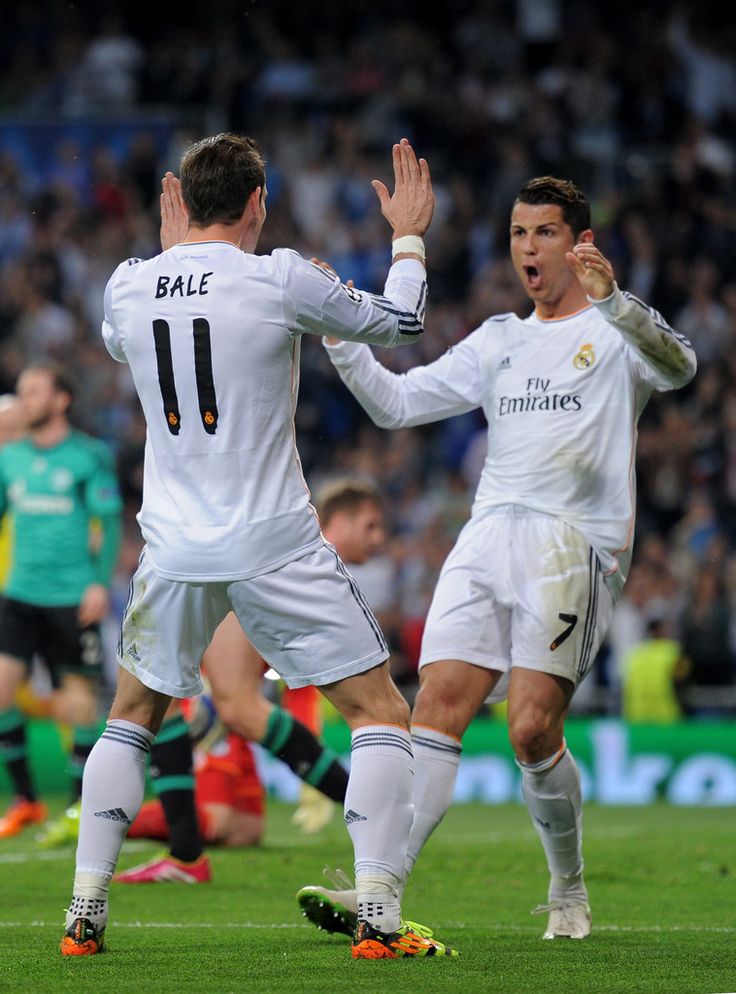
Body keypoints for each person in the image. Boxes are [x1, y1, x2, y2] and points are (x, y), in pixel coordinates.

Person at [61, 132, 458, 960]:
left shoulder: (128, 287)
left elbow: (122, 340)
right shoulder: (279, 276)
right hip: (273, 538)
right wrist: (410, 236)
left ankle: (84, 915)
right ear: (257, 203)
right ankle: (379, 919)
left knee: (132, 716)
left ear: (184, 203)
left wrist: (174, 262)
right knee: (379, 714)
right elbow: (402, 322)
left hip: (172, 548)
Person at [296, 175, 697, 941]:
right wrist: (342, 340)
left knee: (530, 731)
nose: (527, 250)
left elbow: (681, 369)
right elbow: (398, 403)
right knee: (434, 706)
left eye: (542, 233)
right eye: (517, 234)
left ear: (579, 243)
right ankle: (378, 891)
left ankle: (569, 888)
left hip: (571, 542)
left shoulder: (615, 331)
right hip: (487, 534)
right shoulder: (497, 339)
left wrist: (615, 302)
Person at [114, 477, 388, 883]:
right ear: (340, 523)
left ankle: (370, 812)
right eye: (371, 526)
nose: (380, 539)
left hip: (235, 712)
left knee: (245, 829)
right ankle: (104, 816)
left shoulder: (311, 571)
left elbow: (296, 680)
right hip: (207, 709)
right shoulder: (284, 564)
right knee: (235, 723)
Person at [0, 364, 122, 840]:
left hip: (72, 598)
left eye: (33, 392)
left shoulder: (88, 457)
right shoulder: (10, 459)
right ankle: (27, 798)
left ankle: (78, 808)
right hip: (20, 593)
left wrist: (98, 583)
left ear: (60, 401)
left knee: (79, 707)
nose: (24, 400)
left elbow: (109, 524)